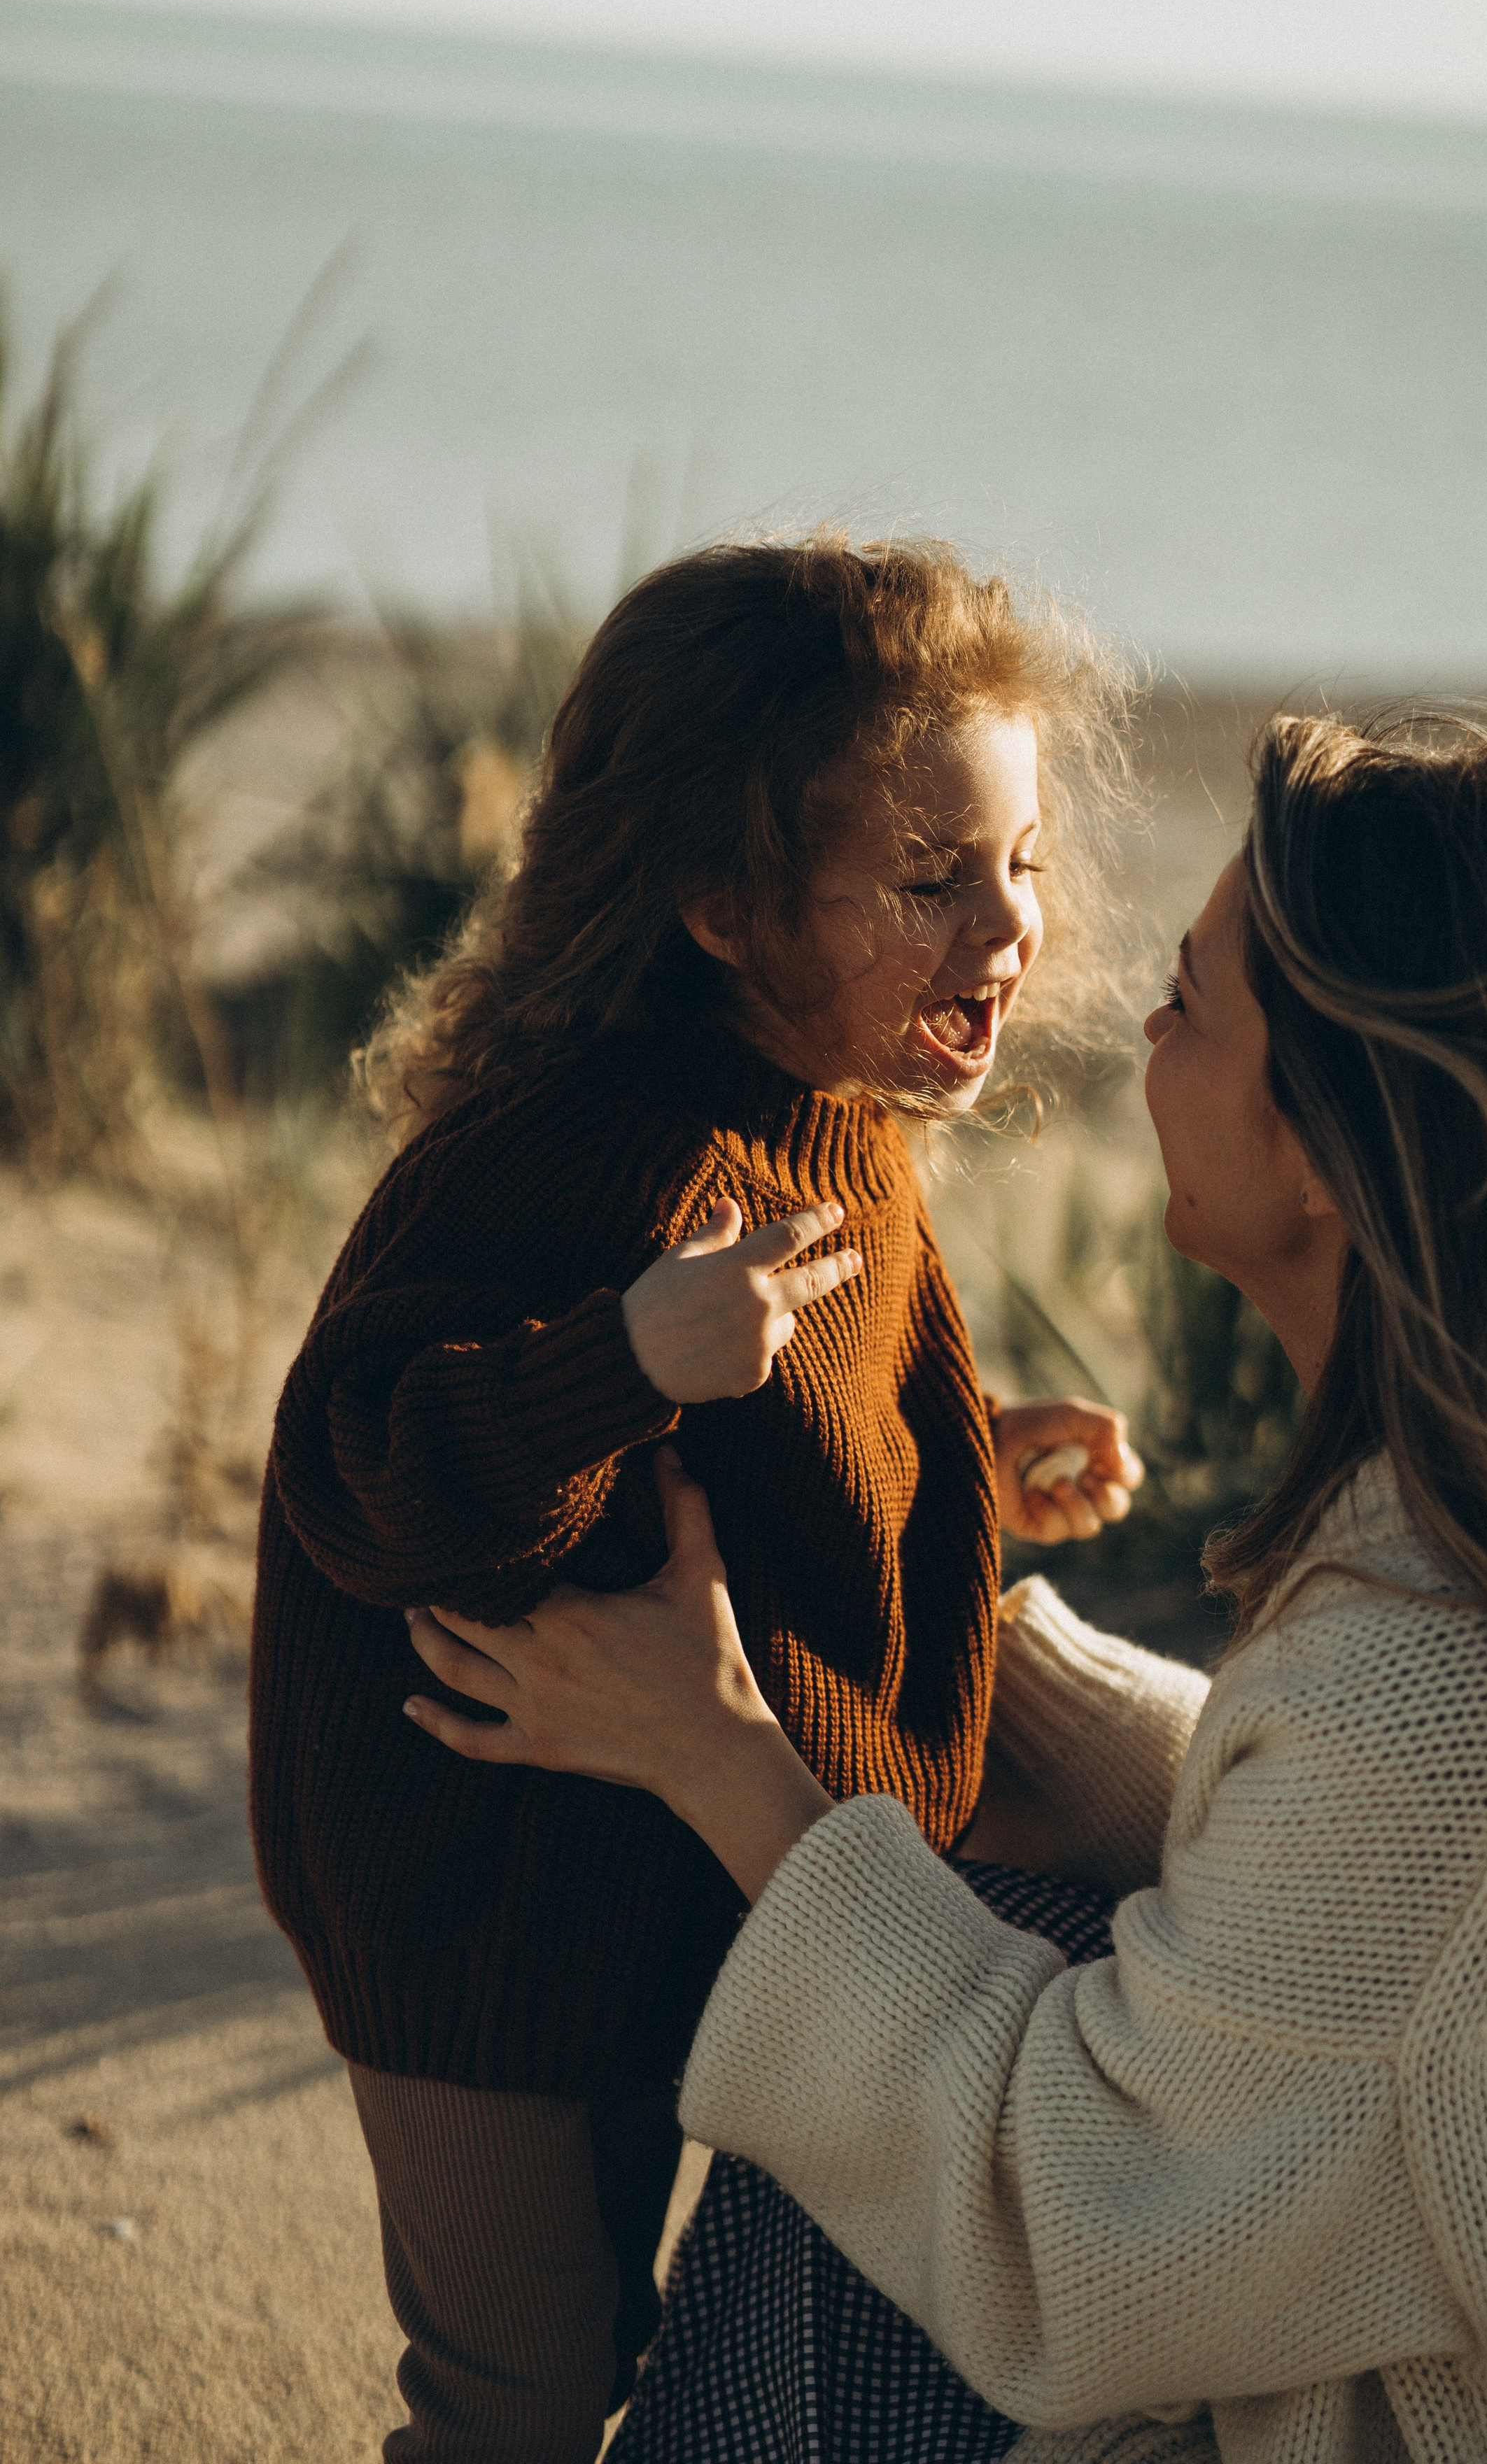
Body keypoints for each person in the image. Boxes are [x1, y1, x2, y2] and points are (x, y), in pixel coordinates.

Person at [407, 710, 1487, 2464]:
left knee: (862, 2096)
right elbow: (1379, 1942)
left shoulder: (1428, 1687)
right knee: (944, 1930)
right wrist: (983, 1667)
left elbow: (1069, 2238)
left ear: (1333, 1149)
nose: (1144, 1016)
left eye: (1199, 1002)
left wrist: (725, 1761)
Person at [248, 535, 1146, 2462]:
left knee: (609, 2333)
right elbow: (351, 1466)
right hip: (471, 1899)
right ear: (728, 905)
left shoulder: (843, 1112)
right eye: (931, 880)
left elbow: (757, 1443)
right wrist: (620, 1363)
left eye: (1023, 863)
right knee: (517, 2391)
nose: (1007, 931)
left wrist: (961, 1467)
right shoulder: (588, 1153)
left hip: (651, 1850)